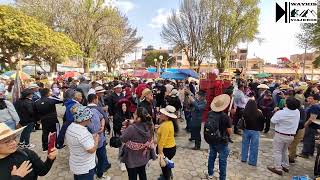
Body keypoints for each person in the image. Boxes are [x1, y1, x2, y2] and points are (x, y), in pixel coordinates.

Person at [120, 107, 157, 180]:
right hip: (143, 156)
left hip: (131, 158)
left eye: (135, 113)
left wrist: (124, 130)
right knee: (142, 173)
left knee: (132, 177)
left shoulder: (132, 128)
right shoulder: (149, 126)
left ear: (139, 117)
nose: (133, 114)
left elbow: (123, 139)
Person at [267, 97, 300, 176]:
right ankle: (285, 166)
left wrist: (276, 111)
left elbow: (273, 121)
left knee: (277, 151)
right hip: (291, 135)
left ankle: (278, 168)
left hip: (281, 134)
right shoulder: (297, 112)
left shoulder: (281, 113)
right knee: (284, 150)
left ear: (286, 104)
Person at [65, 105, 99, 180]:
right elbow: (91, 150)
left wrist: (91, 137)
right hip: (85, 168)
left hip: (76, 164)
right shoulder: (82, 132)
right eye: (89, 117)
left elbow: (80, 141)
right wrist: (96, 140)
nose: (90, 119)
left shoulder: (71, 127)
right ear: (85, 119)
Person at [206, 94, 232, 180]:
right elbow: (229, 131)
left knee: (211, 156)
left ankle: (210, 173)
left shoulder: (210, 113)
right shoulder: (225, 117)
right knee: (222, 161)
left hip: (212, 139)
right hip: (222, 141)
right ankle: (222, 178)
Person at [87, 94, 111, 180]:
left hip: (100, 140)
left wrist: (102, 125)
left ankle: (99, 174)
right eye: (97, 99)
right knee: (92, 159)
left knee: (101, 158)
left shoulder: (96, 110)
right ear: (94, 99)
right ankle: (95, 174)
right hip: (90, 141)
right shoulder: (85, 110)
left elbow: (102, 118)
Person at [157, 105, 178, 180]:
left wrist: (160, 153)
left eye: (162, 113)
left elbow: (162, 141)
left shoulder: (165, 126)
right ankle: (168, 174)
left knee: (164, 165)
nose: (160, 114)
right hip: (171, 148)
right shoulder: (169, 123)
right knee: (167, 164)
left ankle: (166, 177)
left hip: (166, 149)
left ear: (166, 116)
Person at [241, 99, 265, 166]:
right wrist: (261, 129)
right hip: (255, 131)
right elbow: (262, 121)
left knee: (245, 145)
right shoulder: (259, 113)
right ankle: (252, 161)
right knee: (254, 147)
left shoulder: (244, 112)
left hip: (246, 130)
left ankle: (244, 158)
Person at [300, 94, 320, 158]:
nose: (308, 99)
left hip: (311, 126)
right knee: (311, 139)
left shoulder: (314, 106)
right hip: (314, 126)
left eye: (310, 98)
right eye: (308, 98)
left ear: (316, 100)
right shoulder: (314, 106)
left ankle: (305, 153)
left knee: (307, 139)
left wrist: (306, 124)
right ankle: (310, 152)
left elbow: (312, 118)